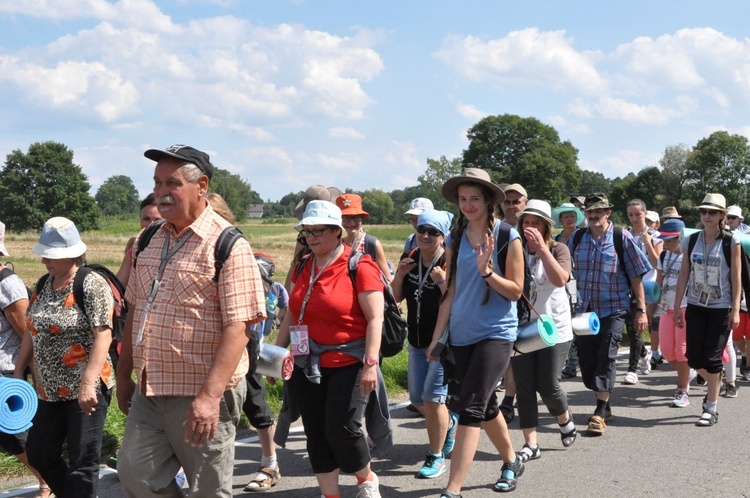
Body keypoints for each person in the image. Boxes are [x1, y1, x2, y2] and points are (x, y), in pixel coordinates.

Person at [115, 144, 266, 497]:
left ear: (202, 186)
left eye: (172, 183)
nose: (162, 192)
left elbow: (239, 327)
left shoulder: (228, 244)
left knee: (207, 490)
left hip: (201, 392)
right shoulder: (149, 238)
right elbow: (136, 309)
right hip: (151, 390)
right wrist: (124, 374)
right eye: (157, 183)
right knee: (134, 473)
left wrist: (210, 397)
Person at [275, 200, 385, 498]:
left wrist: (370, 364)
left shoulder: (359, 265)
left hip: (348, 360)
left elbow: (376, 318)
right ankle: (330, 494)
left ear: (337, 231)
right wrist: (275, 355)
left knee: (342, 428)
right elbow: (290, 315)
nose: (311, 237)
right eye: (306, 231)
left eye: (318, 230)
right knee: (316, 432)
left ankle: (365, 479)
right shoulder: (302, 265)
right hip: (305, 360)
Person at [426, 168, 525, 495]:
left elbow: (515, 291)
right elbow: (450, 293)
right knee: (486, 407)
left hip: (496, 334)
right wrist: (437, 338)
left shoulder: (508, 237)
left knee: (469, 408)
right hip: (461, 335)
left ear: (488, 201)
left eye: (474, 199)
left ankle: (452, 489)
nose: (468, 205)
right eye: (463, 199)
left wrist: (488, 274)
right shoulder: (454, 238)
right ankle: (512, 460)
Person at [13, 217, 114, 498]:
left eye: (52, 255)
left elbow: (103, 335)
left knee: (83, 461)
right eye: (44, 253)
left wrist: (87, 383)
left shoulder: (91, 284)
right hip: (48, 390)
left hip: (85, 388)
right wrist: (19, 370)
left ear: (73, 253)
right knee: (39, 453)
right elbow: (31, 331)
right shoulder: (44, 284)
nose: (45, 260)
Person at [567, 193, 651, 435]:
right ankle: (604, 403)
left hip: (614, 309)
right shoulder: (578, 237)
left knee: (607, 357)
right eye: (589, 212)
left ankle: (600, 411)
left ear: (608, 213)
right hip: (584, 312)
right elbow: (563, 268)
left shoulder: (620, 237)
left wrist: (641, 310)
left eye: (598, 211)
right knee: (589, 362)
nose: (593, 215)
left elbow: (637, 274)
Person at [391, 208, 456, 479]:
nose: (425, 235)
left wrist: (442, 283)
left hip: (442, 342)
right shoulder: (410, 257)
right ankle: (450, 423)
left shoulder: (448, 263)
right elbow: (394, 297)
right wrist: (400, 275)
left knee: (432, 398)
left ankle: (435, 456)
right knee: (417, 398)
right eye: (422, 230)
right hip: (416, 340)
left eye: (433, 232)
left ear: (443, 237)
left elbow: (456, 303)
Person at [510, 200, 576, 463]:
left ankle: (564, 418)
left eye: (536, 222)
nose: (530, 227)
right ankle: (531, 444)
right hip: (523, 328)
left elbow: (560, 279)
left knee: (548, 385)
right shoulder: (515, 249)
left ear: (547, 226)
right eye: (526, 222)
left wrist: (541, 250)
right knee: (525, 387)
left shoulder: (559, 249)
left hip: (553, 328)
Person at [673, 193, 741, 426]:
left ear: (722, 215)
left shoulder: (731, 241)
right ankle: (716, 383)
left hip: (721, 307)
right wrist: (677, 305)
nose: (706, 216)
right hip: (695, 304)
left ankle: (711, 408)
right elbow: (684, 273)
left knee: (712, 358)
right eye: (703, 211)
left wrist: (735, 310)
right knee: (693, 357)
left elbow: (736, 276)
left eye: (712, 212)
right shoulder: (691, 240)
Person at [0, 223, 51, 498]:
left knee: (14, 436)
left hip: (7, 374)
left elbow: (28, 335)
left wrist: (31, 374)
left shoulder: (7, 283)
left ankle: (48, 480)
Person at [654, 219, 695, 407]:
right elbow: (659, 283)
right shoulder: (663, 256)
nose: (666, 243)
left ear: (681, 238)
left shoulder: (690, 255)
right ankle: (687, 373)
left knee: (682, 351)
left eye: (670, 240)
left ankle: (682, 390)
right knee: (668, 352)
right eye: (664, 240)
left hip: (685, 307)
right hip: (665, 308)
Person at [496, 183, 528, 423]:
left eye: (516, 201)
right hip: (498, 295)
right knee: (508, 351)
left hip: (526, 297)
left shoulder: (531, 228)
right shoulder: (494, 229)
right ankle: (508, 398)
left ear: (525, 203)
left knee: (518, 352)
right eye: (507, 202)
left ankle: (513, 398)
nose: (511, 206)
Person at [622, 199, 663, 385]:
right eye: (631, 215)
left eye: (638, 214)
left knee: (638, 327)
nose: (634, 218)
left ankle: (632, 370)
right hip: (629, 285)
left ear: (645, 214)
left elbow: (657, 264)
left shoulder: (655, 235)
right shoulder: (626, 235)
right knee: (630, 326)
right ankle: (644, 353)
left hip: (647, 285)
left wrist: (647, 242)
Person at [552, 203, 585, 378]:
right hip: (560, 284)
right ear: (561, 220)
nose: (569, 219)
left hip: (579, 283)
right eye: (566, 216)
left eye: (572, 216)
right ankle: (567, 360)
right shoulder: (555, 239)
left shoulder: (582, 236)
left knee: (575, 320)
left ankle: (574, 361)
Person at [337, 193, 392, 281]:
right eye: (346, 218)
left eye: (356, 218)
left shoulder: (371, 243)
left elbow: (388, 279)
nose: (351, 223)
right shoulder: (336, 244)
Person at [116, 194, 162, 287]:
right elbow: (117, 287)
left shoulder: (176, 250)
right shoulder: (134, 248)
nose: (151, 224)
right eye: (146, 219)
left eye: (158, 220)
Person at [726, 205, 750, 382]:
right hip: (735, 295)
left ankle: (747, 365)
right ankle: (745, 355)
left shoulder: (747, 235)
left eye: (733, 217)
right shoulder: (721, 235)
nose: (730, 220)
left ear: (740, 219)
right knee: (737, 337)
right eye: (727, 217)